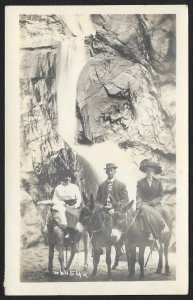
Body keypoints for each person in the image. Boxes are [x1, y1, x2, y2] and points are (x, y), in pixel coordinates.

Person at [96, 163, 130, 255]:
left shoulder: (121, 185)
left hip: (116, 210)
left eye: (112, 170)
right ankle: (96, 246)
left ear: (115, 171)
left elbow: (125, 200)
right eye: (108, 170)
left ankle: (118, 244)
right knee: (95, 220)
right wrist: (102, 207)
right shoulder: (102, 185)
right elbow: (97, 201)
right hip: (104, 210)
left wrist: (115, 208)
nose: (110, 172)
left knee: (115, 220)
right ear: (106, 172)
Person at [136, 159, 171, 239]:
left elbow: (160, 196)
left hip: (155, 204)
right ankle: (150, 233)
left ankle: (162, 226)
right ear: (145, 172)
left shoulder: (158, 182)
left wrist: (152, 203)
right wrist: (138, 202)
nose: (150, 173)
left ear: (154, 172)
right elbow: (139, 194)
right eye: (148, 171)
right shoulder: (140, 182)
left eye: (151, 171)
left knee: (163, 211)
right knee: (144, 209)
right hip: (144, 204)